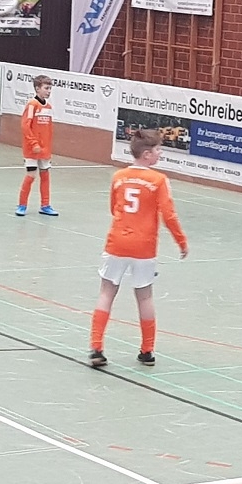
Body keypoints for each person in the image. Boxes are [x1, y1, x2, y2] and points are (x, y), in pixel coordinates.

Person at [89, 129, 189, 368]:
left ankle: (96, 347)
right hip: (144, 247)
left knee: (106, 293)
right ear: (147, 154)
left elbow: (113, 207)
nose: (160, 153)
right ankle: (147, 351)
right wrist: (181, 241)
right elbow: (169, 215)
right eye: (158, 150)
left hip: (117, 242)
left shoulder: (118, 177)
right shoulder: (159, 180)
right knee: (145, 297)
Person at [17, 74, 57, 217]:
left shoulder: (49, 107)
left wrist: (47, 148)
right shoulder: (32, 105)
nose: (49, 91)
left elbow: (48, 130)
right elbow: (25, 126)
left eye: (50, 88)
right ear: (37, 88)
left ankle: (45, 205)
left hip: (44, 150)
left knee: (45, 175)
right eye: (46, 88)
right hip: (32, 149)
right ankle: (22, 205)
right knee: (31, 175)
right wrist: (34, 143)